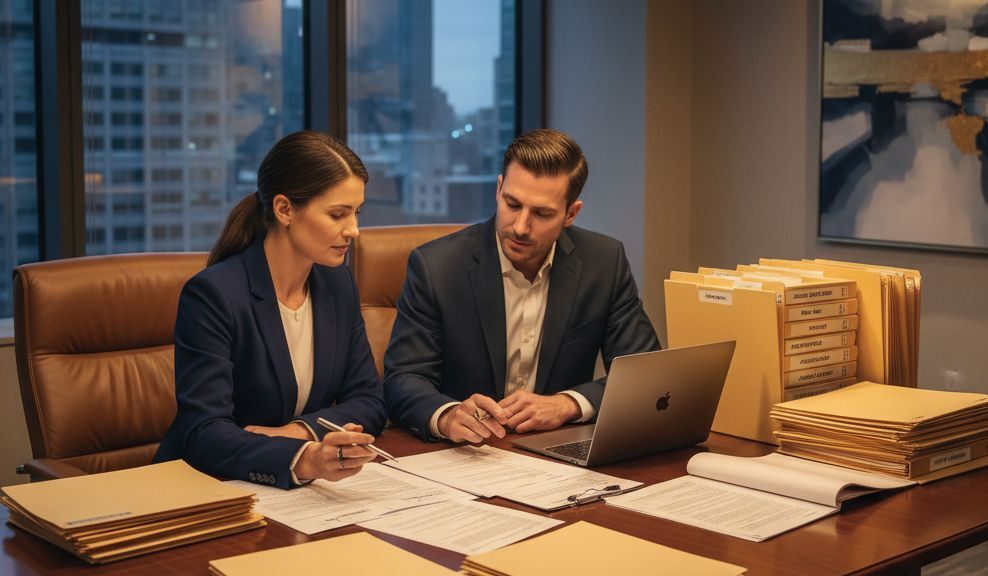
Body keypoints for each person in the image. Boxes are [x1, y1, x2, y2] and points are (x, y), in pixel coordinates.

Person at [384, 128, 660, 443]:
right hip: (464, 453)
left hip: (556, 449)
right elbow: (402, 379)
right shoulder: (436, 267)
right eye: (512, 204)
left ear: (571, 213)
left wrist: (567, 403)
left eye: (541, 213)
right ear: (499, 189)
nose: (520, 227)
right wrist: (447, 414)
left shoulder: (603, 263)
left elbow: (644, 373)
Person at [154, 131, 385, 488]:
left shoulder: (337, 285)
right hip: (209, 489)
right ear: (284, 209)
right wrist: (301, 458)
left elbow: (369, 400)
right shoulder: (214, 295)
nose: (353, 230)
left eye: (356, 213)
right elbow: (204, 432)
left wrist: (298, 431)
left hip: (299, 493)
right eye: (338, 214)